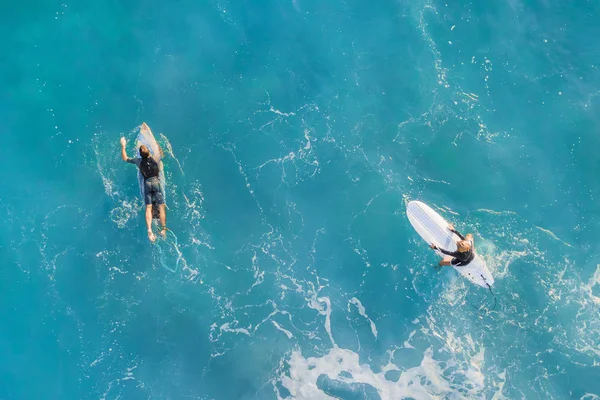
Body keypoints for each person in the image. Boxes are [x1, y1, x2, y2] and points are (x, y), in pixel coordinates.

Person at [120, 137, 167, 242]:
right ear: (149, 152)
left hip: (147, 184)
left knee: (148, 208)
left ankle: (150, 230)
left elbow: (125, 158)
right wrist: (157, 144)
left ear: (140, 155)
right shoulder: (155, 158)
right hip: (156, 182)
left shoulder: (138, 161)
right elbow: (161, 154)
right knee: (161, 207)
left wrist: (123, 145)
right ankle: (163, 229)